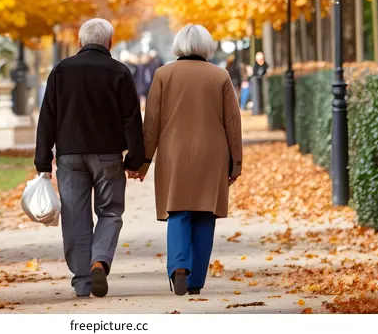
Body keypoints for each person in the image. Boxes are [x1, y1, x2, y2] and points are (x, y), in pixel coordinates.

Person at [34, 18, 145, 299]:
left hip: (69, 155)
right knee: (110, 211)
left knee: (75, 216)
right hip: (108, 155)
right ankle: (99, 261)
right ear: (110, 42)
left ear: (80, 41)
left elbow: (48, 117)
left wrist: (43, 161)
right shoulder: (119, 71)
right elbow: (132, 118)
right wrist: (135, 159)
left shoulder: (61, 71)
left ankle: (83, 281)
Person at [131, 23, 242, 296]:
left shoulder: (163, 74)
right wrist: (236, 162)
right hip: (212, 152)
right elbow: (232, 122)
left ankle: (179, 266)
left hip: (174, 152)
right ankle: (195, 281)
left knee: (178, 210)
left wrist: (143, 162)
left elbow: (152, 123)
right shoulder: (220, 76)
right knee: (205, 214)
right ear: (207, 46)